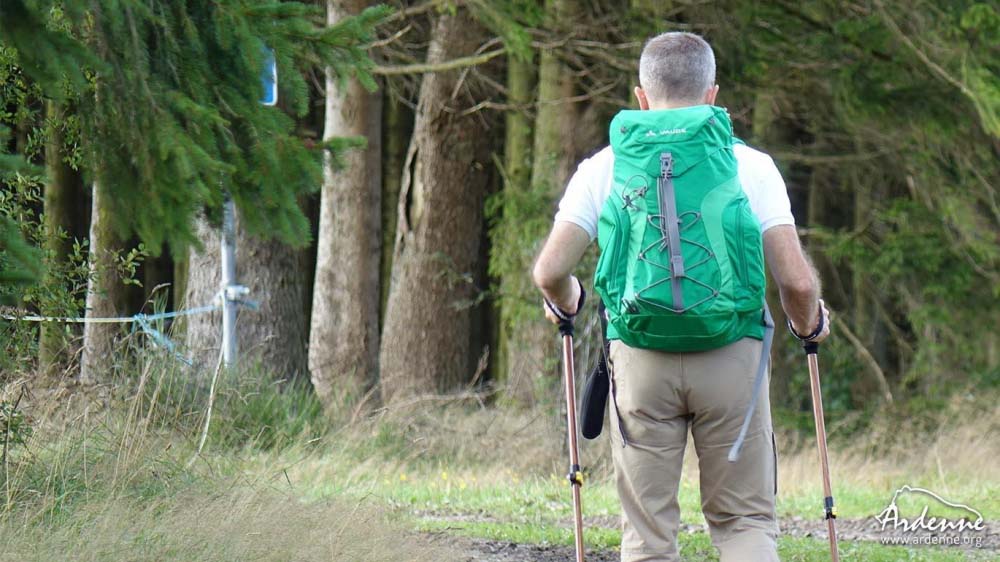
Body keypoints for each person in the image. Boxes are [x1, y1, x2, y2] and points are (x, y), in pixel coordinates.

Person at [532, 32, 831, 562]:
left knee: (647, 537)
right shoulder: (752, 166)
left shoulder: (603, 168)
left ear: (640, 97)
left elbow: (550, 271)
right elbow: (798, 285)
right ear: (713, 95)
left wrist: (569, 297)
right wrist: (808, 326)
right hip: (731, 356)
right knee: (744, 523)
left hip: (640, 359)